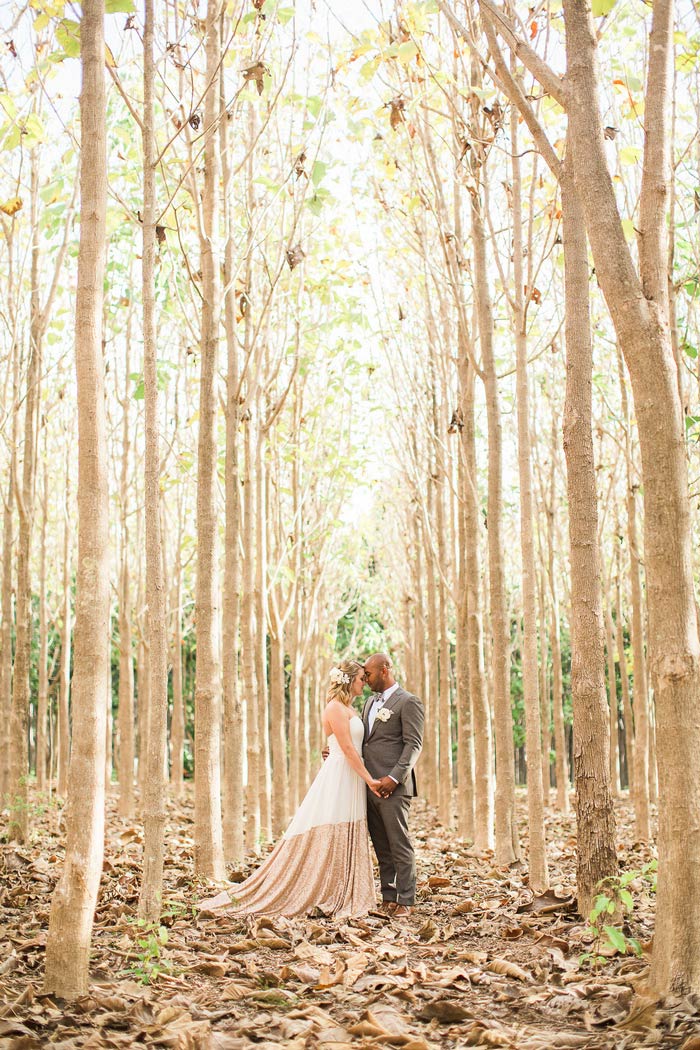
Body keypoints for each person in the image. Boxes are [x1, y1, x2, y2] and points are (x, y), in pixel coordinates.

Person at [198, 660, 382, 919]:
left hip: (350, 773)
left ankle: (345, 887)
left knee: (349, 825)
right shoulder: (335, 708)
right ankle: (323, 889)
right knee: (334, 825)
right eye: (362, 678)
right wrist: (370, 780)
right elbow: (348, 749)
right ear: (349, 680)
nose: (365, 682)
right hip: (341, 774)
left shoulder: (350, 708)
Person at [361, 652, 424, 918]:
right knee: (381, 845)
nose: (365, 679)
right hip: (368, 785)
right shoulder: (367, 703)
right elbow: (363, 741)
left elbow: (413, 744)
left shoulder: (408, 702)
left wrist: (394, 778)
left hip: (393, 787)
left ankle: (406, 900)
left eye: (368, 674)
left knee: (399, 843)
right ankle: (389, 896)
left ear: (384, 670)